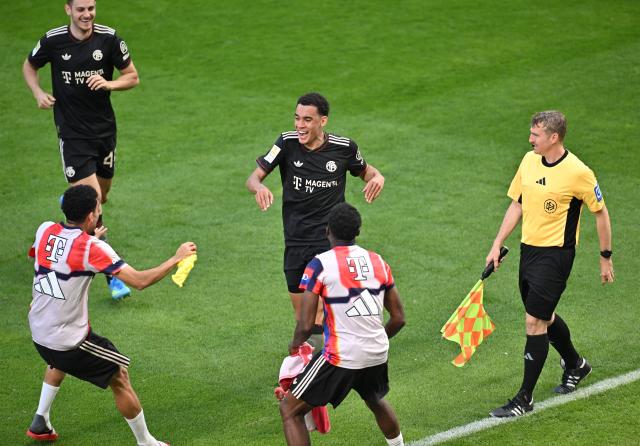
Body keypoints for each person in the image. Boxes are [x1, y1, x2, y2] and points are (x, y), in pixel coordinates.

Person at [26, 185, 196, 444]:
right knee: (118, 373)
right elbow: (139, 281)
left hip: (39, 333)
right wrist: (176, 257)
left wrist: (86, 236)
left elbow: (47, 257)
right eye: (97, 207)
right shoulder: (91, 247)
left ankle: (41, 419)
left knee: (58, 358)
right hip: (66, 340)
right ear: (91, 216)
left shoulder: (44, 229)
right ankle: (147, 443)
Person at [486, 111, 614, 418]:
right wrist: (496, 243)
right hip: (528, 250)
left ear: (553, 137)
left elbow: (600, 212)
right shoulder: (529, 161)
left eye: (535, 135)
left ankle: (524, 398)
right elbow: (517, 203)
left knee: (534, 321)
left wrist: (605, 256)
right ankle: (575, 364)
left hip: (556, 256)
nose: (530, 139)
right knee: (544, 316)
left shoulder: (579, 172)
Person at [246, 93, 385, 346]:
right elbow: (253, 178)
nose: (300, 125)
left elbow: (368, 172)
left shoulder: (344, 148)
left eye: (307, 120)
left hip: (329, 243)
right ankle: (325, 355)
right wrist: (259, 189)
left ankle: (327, 366)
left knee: (319, 311)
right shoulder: (286, 143)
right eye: (297, 118)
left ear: (323, 121)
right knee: (303, 320)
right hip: (296, 240)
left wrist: (378, 178)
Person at [23, 0, 140, 300]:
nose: (87, 15)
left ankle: (70, 199)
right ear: (68, 10)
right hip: (72, 133)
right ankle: (113, 276)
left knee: (104, 195)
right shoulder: (53, 40)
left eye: (91, 8)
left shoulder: (109, 39)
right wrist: (37, 92)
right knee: (95, 202)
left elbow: (132, 76)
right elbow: (30, 65)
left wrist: (108, 84)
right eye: (81, 10)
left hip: (104, 132)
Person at [279, 202, 406, 446]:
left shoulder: (320, 264)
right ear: (357, 232)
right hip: (377, 352)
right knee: (374, 397)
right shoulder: (378, 261)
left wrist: (295, 345)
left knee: (290, 409)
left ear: (327, 230)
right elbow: (399, 318)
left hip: (342, 355)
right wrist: (372, 338)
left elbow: (306, 324)